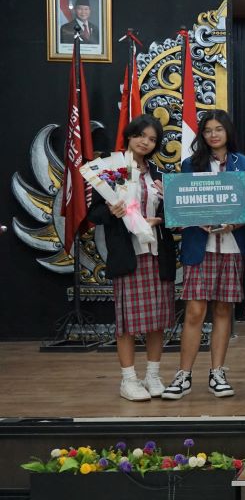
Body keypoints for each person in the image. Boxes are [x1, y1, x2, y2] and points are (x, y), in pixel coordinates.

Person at [162, 110, 245, 401]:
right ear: (202, 135)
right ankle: (184, 374)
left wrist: (235, 223)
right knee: (195, 311)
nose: (214, 135)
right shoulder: (191, 164)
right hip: (199, 246)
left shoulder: (244, 164)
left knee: (224, 310)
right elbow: (180, 205)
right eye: (208, 130)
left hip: (231, 246)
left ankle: (217, 373)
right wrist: (193, 216)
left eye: (218, 129)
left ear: (228, 132)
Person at [87, 115, 175, 401]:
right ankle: (128, 380)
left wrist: (163, 216)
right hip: (129, 254)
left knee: (157, 320)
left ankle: (153, 375)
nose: (145, 142)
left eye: (152, 139)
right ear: (129, 136)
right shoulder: (111, 169)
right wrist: (110, 212)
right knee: (127, 322)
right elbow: (94, 213)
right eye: (140, 135)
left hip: (157, 253)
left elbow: (175, 215)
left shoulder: (159, 175)